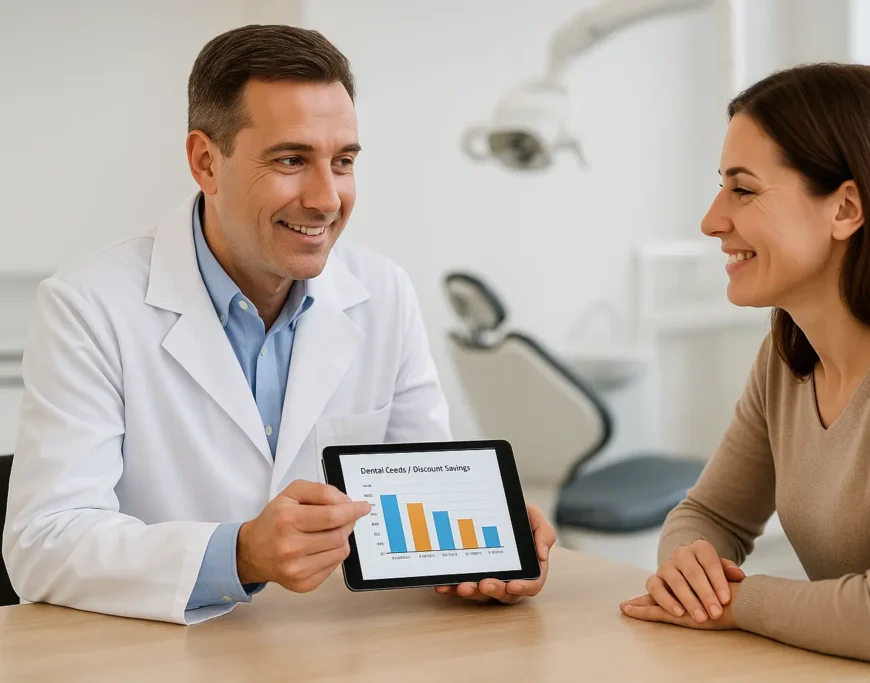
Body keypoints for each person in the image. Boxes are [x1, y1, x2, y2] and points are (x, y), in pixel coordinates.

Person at [1, 24, 555, 624]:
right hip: (163, 653)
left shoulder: (383, 292)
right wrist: (239, 554)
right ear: (205, 162)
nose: (326, 198)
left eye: (342, 162)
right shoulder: (89, 305)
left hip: (335, 648)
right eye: (291, 159)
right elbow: (42, 543)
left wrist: (484, 543)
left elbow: (424, 490)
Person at [619, 63, 870, 670]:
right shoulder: (789, 356)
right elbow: (708, 515)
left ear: (845, 209)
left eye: (743, 189)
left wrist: (737, 601)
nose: (711, 221)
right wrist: (691, 566)